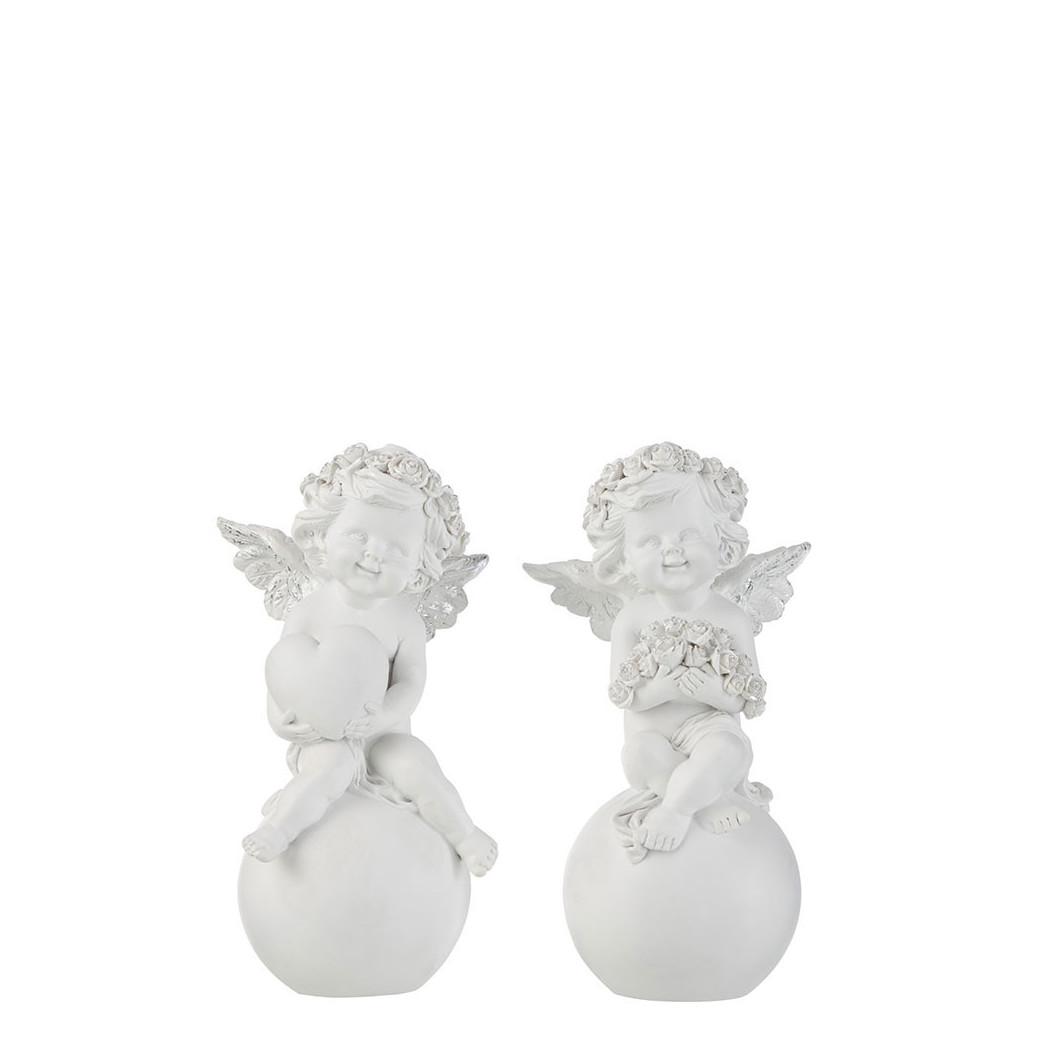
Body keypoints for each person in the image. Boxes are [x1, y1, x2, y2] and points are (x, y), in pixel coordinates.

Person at [242, 444, 497, 876]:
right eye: (359, 536)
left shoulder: (404, 620)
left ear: (420, 566)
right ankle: (278, 831)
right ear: (322, 535)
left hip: (383, 734)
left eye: (396, 549)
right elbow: (282, 672)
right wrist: (280, 721)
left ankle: (467, 836)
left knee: (416, 765)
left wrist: (380, 717)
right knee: (330, 767)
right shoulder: (310, 609)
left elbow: (410, 682)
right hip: (322, 737)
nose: (374, 554)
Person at [584, 444, 770, 854]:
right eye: (651, 540)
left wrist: (713, 693)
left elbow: (749, 697)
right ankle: (704, 801)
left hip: (712, 732)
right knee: (640, 754)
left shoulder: (731, 618)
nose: (672, 549)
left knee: (727, 748)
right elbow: (623, 694)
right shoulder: (631, 619)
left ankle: (675, 809)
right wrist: (664, 689)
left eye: (689, 534)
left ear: (722, 541)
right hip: (653, 740)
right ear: (624, 557)